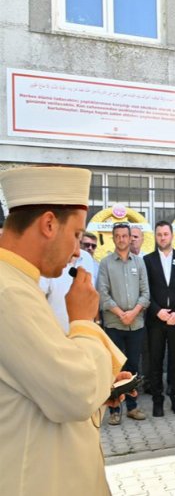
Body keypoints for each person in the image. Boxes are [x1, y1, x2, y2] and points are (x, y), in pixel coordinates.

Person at [0, 166, 127, 495]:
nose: (76, 251)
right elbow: (74, 394)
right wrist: (83, 320)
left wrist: (102, 387)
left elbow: (47, 378)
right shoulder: (8, 292)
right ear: (48, 224)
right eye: (76, 235)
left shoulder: (17, 283)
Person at [97, 222, 150, 425]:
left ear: (130, 238)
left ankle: (132, 407)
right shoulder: (105, 264)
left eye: (124, 236)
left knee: (133, 366)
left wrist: (133, 313)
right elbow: (103, 294)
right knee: (115, 368)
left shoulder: (139, 263)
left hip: (135, 324)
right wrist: (121, 314)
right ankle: (114, 409)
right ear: (113, 238)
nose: (121, 239)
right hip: (114, 324)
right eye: (117, 236)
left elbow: (146, 293)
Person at [143, 221, 175, 417]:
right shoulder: (148, 260)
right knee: (155, 361)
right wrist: (157, 311)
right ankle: (157, 400)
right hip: (156, 319)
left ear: (172, 235)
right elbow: (145, 290)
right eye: (159, 234)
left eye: (165, 234)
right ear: (155, 237)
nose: (162, 237)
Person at [39, 248, 98, 332]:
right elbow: (39, 298)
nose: (77, 252)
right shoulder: (49, 258)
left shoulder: (87, 257)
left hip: (82, 332)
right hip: (54, 332)